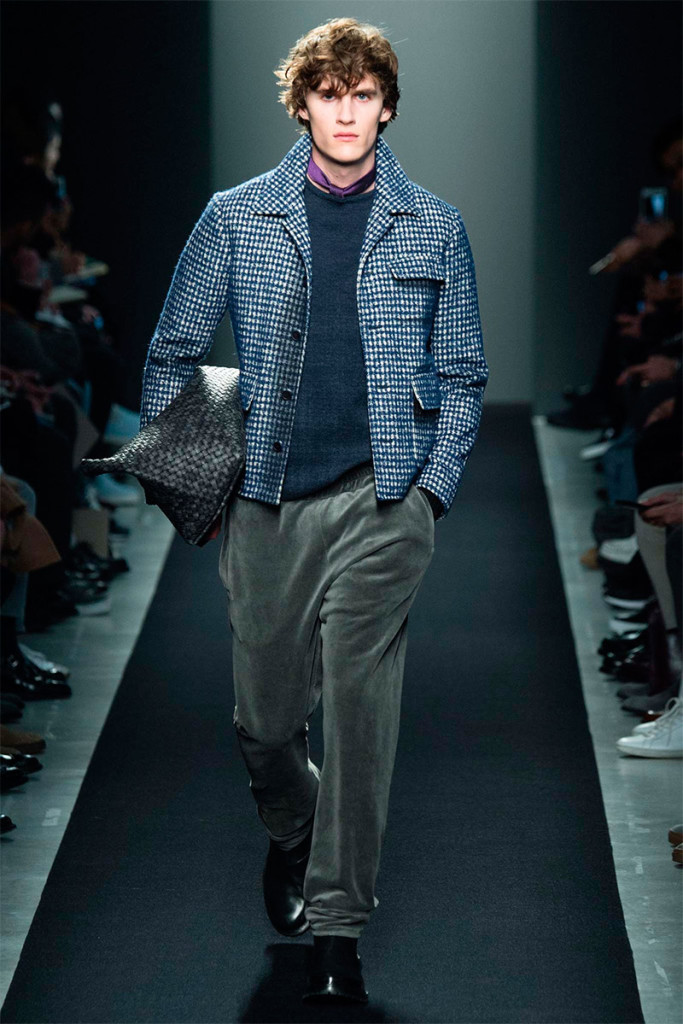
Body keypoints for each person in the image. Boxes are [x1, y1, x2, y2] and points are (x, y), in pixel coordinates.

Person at [140, 17, 488, 1004]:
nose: (345, 111)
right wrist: (198, 485)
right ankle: (293, 830)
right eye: (328, 94)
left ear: (385, 107)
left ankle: (338, 927)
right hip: (264, 503)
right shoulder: (237, 215)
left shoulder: (432, 224)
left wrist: (429, 491)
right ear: (301, 105)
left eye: (362, 94)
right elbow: (171, 354)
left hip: (382, 500)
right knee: (264, 722)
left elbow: (463, 372)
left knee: (360, 717)